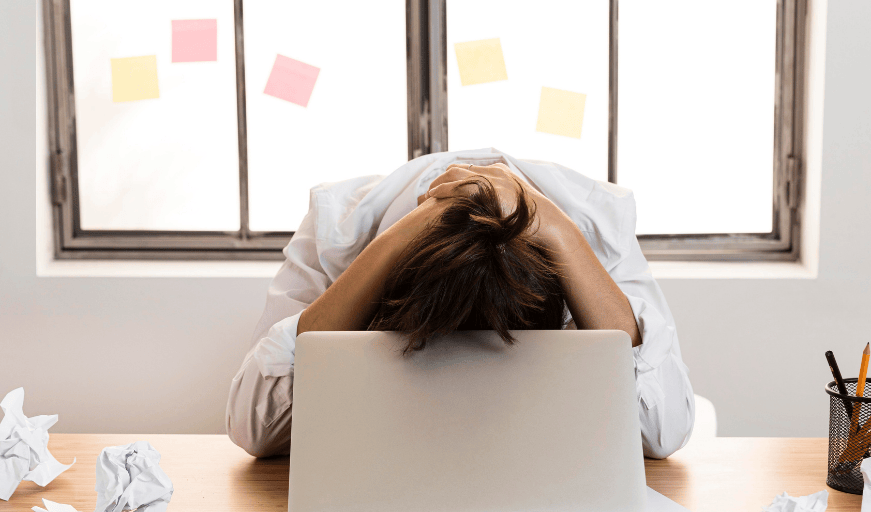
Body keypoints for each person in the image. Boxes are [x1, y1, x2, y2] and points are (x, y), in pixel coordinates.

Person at [227, 149, 695, 459]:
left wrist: (557, 231)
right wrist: (398, 240)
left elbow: (662, 429)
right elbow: (255, 428)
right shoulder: (336, 222)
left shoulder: (598, 224)